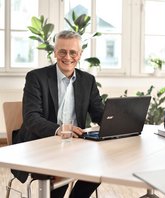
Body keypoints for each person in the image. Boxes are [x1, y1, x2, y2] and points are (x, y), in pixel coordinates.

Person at [12, 30, 104, 198]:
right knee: (63, 169)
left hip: (75, 145)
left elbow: (99, 113)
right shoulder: (36, 77)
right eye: (62, 51)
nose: (67, 57)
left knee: (100, 165)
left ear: (80, 54)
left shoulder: (87, 80)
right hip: (40, 143)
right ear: (55, 52)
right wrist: (59, 129)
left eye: (72, 52)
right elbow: (31, 118)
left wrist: (118, 119)